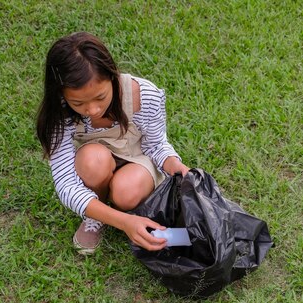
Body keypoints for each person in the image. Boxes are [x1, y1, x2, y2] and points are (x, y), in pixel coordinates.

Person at [36, 32, 189, 254]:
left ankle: (117, 207)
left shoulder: (144, 95)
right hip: (95, 162)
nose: (93, 110)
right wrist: (124, 222)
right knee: (91, 159)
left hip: (137, 161)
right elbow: (66, 183)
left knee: (126, 193)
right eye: (78, 103)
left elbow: (155, 145)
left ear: (112, 75)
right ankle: (96, 214)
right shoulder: (58, 112)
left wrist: (177, 166)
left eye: (100, 97)